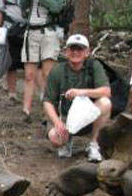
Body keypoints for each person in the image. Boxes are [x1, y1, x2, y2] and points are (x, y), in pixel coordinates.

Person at [43, 34, 112, 162]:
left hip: (86, 118)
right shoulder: (57, 71)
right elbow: (47, 101)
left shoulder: (94, 66)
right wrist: (57, 123)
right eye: (72, 48)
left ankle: (94, 145)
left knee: (105, 103)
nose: (75, 52)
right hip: (63, 118)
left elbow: (106, 91)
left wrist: (81, 92)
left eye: (79, 49)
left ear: (87, 52)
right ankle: (66, 141)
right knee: (55, 138)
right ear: (66, 51)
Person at [19, 0, 66, 122]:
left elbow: (56, 7)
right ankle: (26, 111)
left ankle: (49, 113)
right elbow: (22, 5)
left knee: (48, 74)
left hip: (49, 32)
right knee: (29, 74)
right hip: (31, 31)